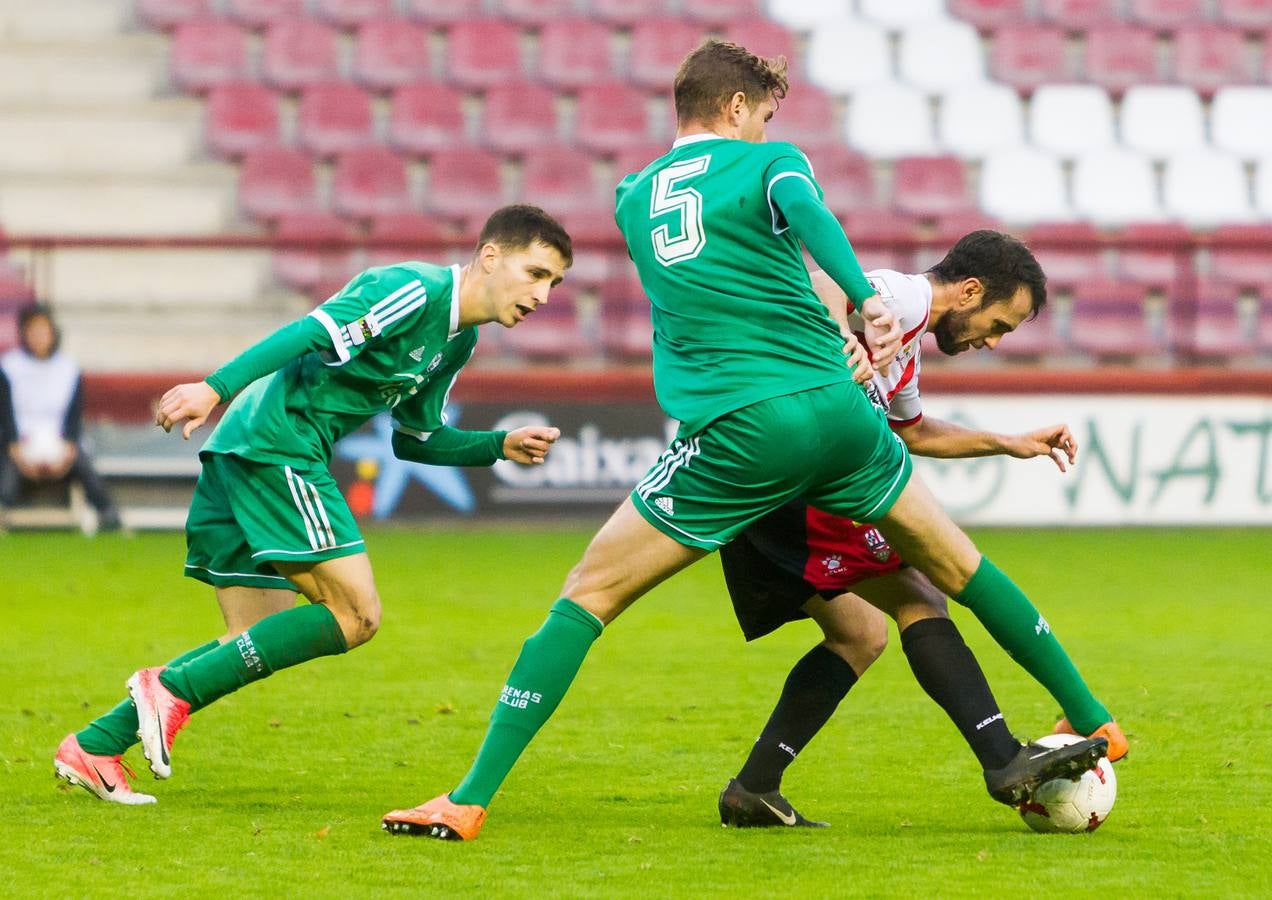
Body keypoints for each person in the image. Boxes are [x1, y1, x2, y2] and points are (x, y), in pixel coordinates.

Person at [381, 41, 1108, 841]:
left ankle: (467, 799)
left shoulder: (632, 197)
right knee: (958, 571)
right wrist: (863, 297)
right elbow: (808, 215)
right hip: (839, 414)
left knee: (587, 596)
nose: (767, 130)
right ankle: (1094, 718)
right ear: (735, 108)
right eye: (762, 114)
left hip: (743, 425)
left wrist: (863, 304)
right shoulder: (772, 164)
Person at [53, 205, 573, 805]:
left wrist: (497, 446)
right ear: (490, 256)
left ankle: (95, 745)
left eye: (554, 283)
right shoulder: (414, 291)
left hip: (251, 448)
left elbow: (415, 438)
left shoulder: (458, 342)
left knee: (255, 638)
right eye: (535, 273)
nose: (543, 295)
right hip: (280, 445)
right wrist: (213, 388)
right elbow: (309, 332)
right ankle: (165, 689)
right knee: (357, 615)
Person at [717, 233, 1127, 828]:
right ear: (969, 290)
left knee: (859, 634)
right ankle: (1007, 756)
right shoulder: (900, 298)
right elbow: (824, 281)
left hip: (767, 476)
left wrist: (1006, 442)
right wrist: (836, 334)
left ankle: (754, 788)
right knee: (926, 590)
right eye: (998, 324)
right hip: (799, 476)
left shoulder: (906, 349)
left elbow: (912, 432)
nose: (992, 341)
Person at [0, 304, 122, 530]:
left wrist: (68, 449)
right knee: (6, 467)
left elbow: (74, 416)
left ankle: (109, 515)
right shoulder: (9, 367)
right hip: (19, 444)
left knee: (84, 464)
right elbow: (6, 415)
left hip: (59, 443)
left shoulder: (68, 368)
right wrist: (16, 449)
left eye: (43, 331)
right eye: (33, 331)